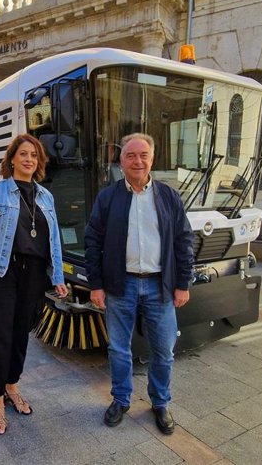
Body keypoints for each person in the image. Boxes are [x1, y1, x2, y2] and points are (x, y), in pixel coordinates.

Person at [84, 133, 194, 434]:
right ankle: (120, 399)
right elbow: (92, 242)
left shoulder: (169, 196)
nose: (138, 161)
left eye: (143, 155)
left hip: (161, 286)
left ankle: (160, 403)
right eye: (131, 155)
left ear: (152, 159)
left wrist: (183, 283)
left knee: (163, 351)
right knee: (119, 349)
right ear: (121, 162)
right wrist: (96, 284)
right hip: (121, 285)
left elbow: (184, 240)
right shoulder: (108, 198)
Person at [0, 133, 68, 436]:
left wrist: (58, 276)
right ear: (11, 158)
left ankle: (12, 384)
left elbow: (54, 240)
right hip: (1, 272)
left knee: (22, 334)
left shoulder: (46, 197)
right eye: (23, 154)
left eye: (34, 156)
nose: (28, 160)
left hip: (34, 273)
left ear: (39, 162)